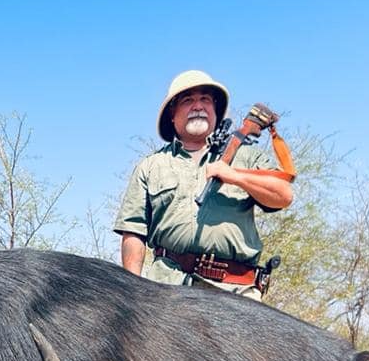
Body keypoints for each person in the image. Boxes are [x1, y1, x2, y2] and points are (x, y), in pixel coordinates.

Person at [113, 69, 294, 298]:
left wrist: (234, 176)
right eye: (188, 100)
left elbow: (284, 195)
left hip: (235, 292)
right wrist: (134, 294)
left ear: (215, 111)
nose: (198, 106)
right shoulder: (150, 166)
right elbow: (133, 232)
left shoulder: (246, 156)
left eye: (205, 100)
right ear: (172, 114)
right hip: (167, 291)